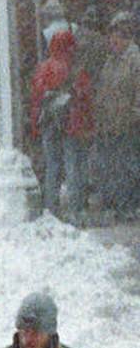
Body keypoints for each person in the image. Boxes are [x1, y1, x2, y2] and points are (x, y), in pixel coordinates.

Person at [29, 27, 94, 221]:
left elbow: (36, 99)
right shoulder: (76, 69)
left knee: (52, 166)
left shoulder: (44, 68)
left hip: (50, 124)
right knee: (73, 165)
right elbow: (86, 98)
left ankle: (51, 208)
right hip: (71, 123)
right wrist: (88, 124)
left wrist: (35, 125)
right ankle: (76, 208)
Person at [91, 13, 140, 217]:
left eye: (115, 39)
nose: (111, 43)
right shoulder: (111, 61)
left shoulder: (134, 60)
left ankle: (129, 204)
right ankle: (116, 202)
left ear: (125, 38)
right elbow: (103, 89)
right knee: (113, 165)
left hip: (128, 122)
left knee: (129, 165)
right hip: (110, 123)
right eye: (110, 39)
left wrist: (136, 113)